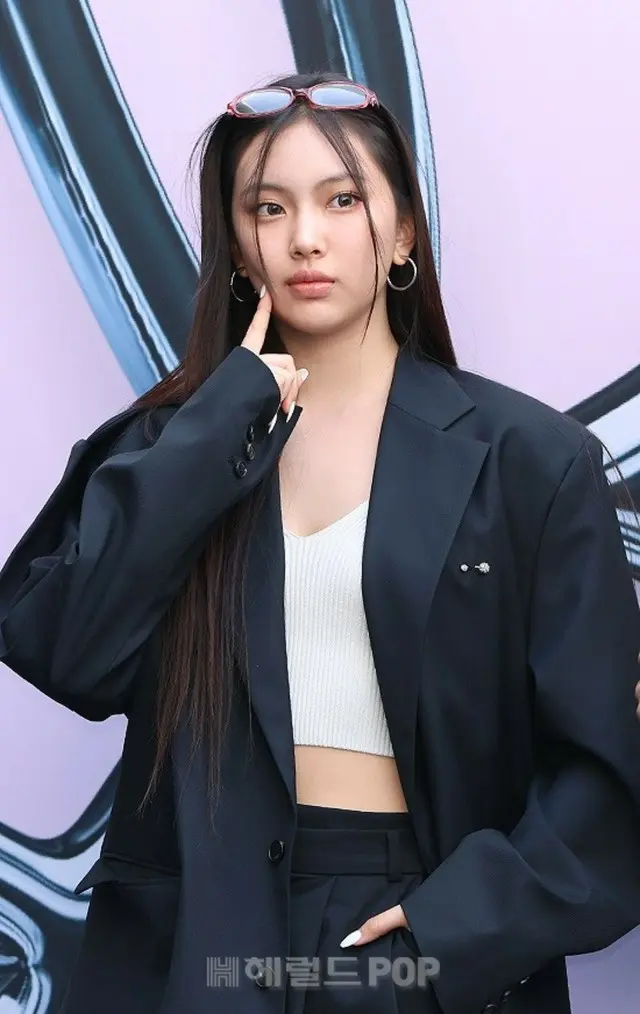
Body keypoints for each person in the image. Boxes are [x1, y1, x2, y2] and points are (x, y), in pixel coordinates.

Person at [1, 71, 639, 1014]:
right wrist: (218, 425)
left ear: (403, 231)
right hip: (198, 939)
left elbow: (605, 781)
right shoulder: (171, 449)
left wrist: (448, 935)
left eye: (342, 200)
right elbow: (64, 649)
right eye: (269, 207)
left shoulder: (532, 462)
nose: (306, 237)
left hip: (411, 924)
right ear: (237, 246)